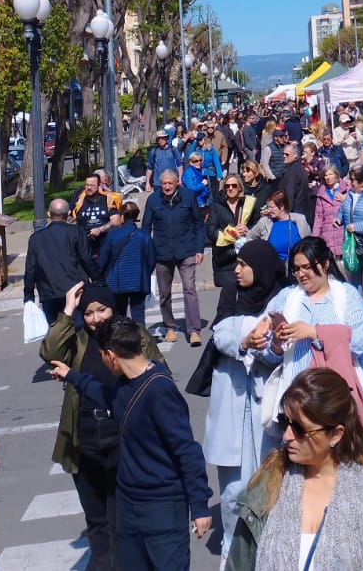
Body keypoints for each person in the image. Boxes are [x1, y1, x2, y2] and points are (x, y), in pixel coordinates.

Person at [226, 368, 363, 571]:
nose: (287, 436)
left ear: (336, 434)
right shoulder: (268, 483)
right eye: (285, 422)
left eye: (300, 429)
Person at [62, 316, 211, 570]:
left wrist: (199, 506)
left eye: (101, 356)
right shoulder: (123, 387)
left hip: (163, 509)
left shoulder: (160, 390)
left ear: (110, 355)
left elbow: (187, 451)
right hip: (128, 506)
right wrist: (72, 376)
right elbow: (104, 395)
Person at [42, 281, 161, 570]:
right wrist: (68, 311)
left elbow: (158, 375)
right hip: (84, 442)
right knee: (96, 521)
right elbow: (50, 352)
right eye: (90, 312)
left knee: (120, 521)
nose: (96, 319)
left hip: (123, 441)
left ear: (113, 308)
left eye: (102, 310)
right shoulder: (78, 339)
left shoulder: (135, 336)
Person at [206, 241, 287, 562]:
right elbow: (220, 333)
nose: (236, 270)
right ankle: (231, 550)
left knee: (271, 483)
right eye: (235, 264)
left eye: (243, 264)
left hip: (268, 406)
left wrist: (266, 346)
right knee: (233, 490)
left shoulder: (282, 296)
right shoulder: (231, 294)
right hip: (233, 402)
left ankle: (269, 552)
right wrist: (245, 339)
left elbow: (280, 346)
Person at [264, 236, 363, 432]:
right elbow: (269, 354)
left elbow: (357, 344)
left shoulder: (346, 296)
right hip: (295, 397)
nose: (301, 274)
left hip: (335, 398)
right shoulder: (286, 297)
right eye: (297, 269)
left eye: (307, 267)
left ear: (325, 264)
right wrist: (275, 342)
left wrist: (315, 333)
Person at [144, 169, 207, 345]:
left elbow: (198, 224)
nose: (166, 187)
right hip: (161, 253)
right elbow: (145, 228)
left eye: (170, 183)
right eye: (163, 183)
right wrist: (146, 252)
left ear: (177, 182)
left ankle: (194, 330)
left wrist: (199, 249)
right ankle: (169, 327)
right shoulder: (153, 200)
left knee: (189, 289)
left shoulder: (188, 197)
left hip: (186, 251)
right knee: (164, 293)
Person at [25, 198, 93, 325]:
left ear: (49, 214)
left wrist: (28, 294)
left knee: (56, 330)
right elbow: (86, 258)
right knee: (78, 328)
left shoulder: (36, 238)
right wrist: (97, 278)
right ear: (68, 214)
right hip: (75, 289)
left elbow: (31, 268)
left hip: (49, 290)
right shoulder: (76, 231)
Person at [96, 201, 155, 325]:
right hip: (138, 280)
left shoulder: (112, 234)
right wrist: (145, 272)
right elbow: (151, 259)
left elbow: (103, 259)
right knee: (138, 314)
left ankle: (120, 340)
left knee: (118, 315)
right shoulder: (143, 234)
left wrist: (99, 274)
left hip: (116, 280)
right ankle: (141, 340)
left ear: (122, 216)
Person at [208, 172, 260, 290]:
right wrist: (231, 233)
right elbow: (211, 231)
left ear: (240, 187)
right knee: (228, 301)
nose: (230, 188)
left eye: (234, 185)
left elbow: (258, 225)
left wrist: (248, 230)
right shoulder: (217, 206)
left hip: (245, 257)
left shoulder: (248, 204)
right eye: (227, 186)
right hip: (225, 259)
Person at [72, 173, 119, 263]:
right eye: (87, 185)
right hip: (85, 244)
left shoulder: (107, 200)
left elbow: (116, 221)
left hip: (105, 242)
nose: (89, 188)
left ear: (98, 186)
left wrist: (100, 230)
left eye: (92, 185)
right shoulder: (79, 201)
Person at [251, 191, 310, 262]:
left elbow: (309, 242)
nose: (269, 210)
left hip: (296, 264)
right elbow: (250, 236)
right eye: (268, 207)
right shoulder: (265, 221)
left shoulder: (300, 219)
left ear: (282, 206)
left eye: (271, 207)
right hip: (272, 264)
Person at [310, 165, 346, 260]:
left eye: (330, 174)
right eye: (325, 175)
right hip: (327, 235)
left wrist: (346, 200)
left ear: (336, 175)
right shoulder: (321, 194)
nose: (328, 177)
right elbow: (318, 218)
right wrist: (315, 238)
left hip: (343, 233)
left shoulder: (347, 190)